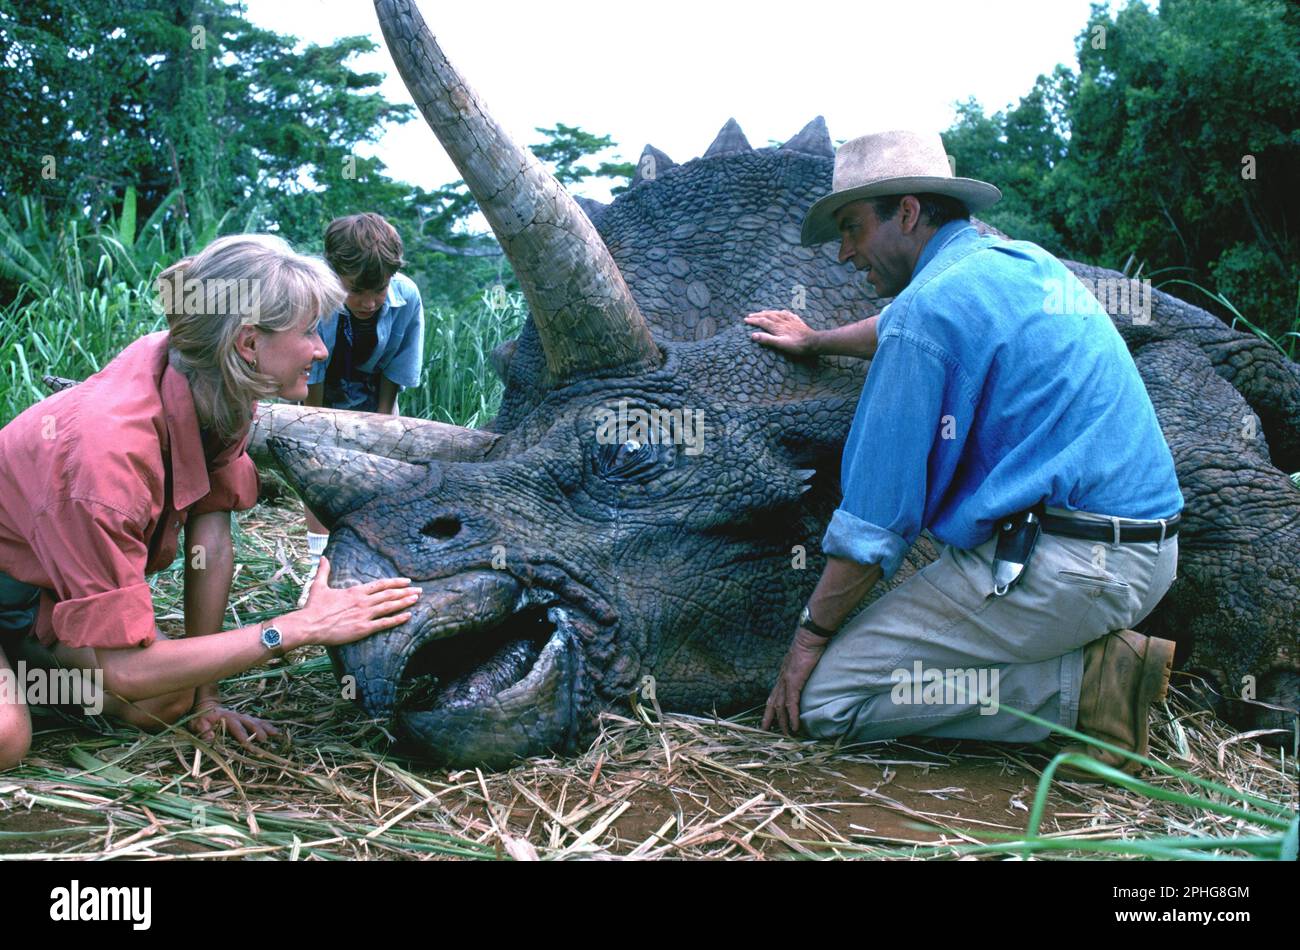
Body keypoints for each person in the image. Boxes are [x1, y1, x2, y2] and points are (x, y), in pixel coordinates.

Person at [745, 130, 1183, 780]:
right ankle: (1075, 655)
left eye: (852, 228)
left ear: (909, 213)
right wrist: (818, 341)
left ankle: (1087, 689)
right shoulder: (1017, 263)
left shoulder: (928, 313)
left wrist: (809, 638)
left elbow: (874, 526)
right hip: (1147, 554)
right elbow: (911, 324)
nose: (843, 253)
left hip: (1069, 567)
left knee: (828, 700)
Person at [0, 234, 421, 771]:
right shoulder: (107, 460)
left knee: (167, 700)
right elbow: (126, 670)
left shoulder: (213, 381)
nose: (320, 349)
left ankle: (31, 665)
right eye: (309, 332)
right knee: (7, 738)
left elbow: (210, 537)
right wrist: (297, 628)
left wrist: (206, 698)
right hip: (15, 587)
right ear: (248, 343)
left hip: (38, 600)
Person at [300, 213, 425, 602]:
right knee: (317, 470)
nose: (369, 302)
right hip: (318, 391)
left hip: (370, 391)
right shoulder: (313, 297)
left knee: (378, 470)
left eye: (379, 289)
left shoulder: (407, 297)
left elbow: (399, 366)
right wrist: (315, 427)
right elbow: (310, 373)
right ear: (335, 275)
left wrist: (382, 422)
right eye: (356, 291)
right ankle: (317, 567)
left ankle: (370, 563)